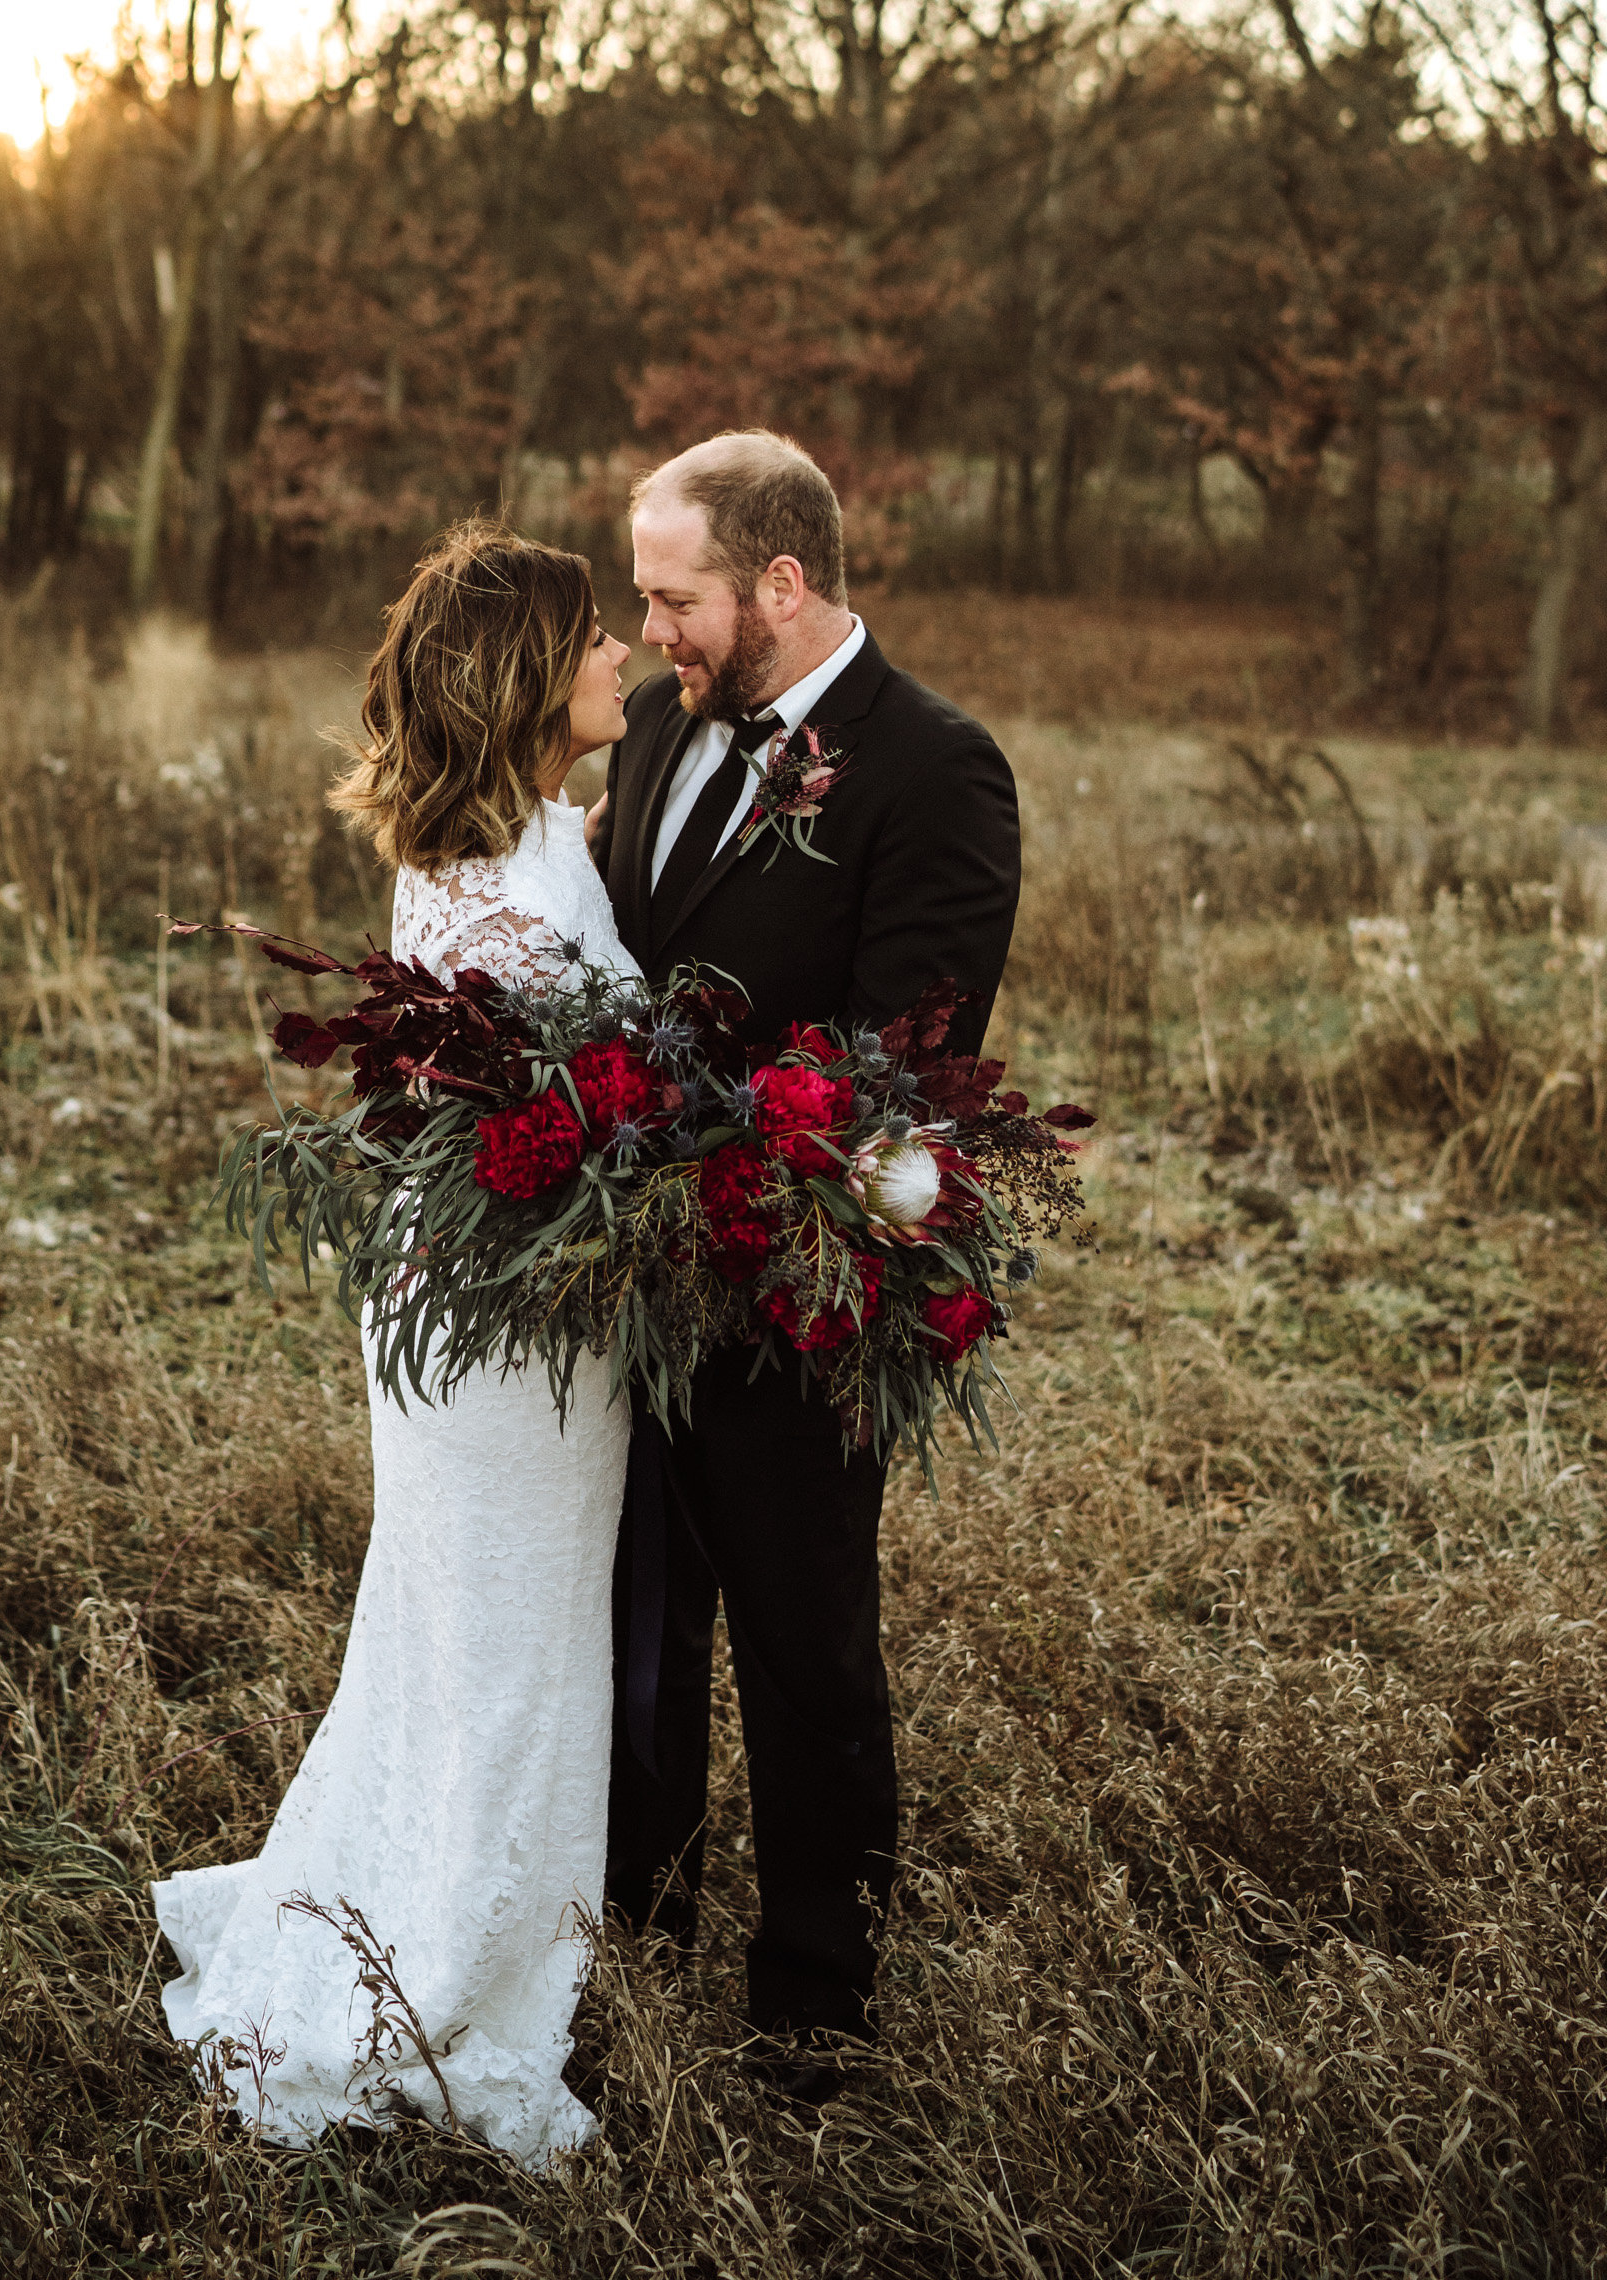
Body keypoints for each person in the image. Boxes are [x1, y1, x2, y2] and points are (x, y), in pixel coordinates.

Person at [152, 525, 639, 2171]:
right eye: (592, 639)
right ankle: (443, 1972)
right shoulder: (495, 888)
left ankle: (463, 1921)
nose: (622, 654)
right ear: (525, 676)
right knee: (495, 1643)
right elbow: (578, 1121)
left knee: (478, 1633)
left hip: (512, 1305)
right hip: (506, 1325)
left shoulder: (534, 836)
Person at [591, 430, 1020, 2098]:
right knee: (636, 1623)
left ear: (780, 583)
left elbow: (910, 1052)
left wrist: (725, 1184)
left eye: (672, 597)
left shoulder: (933, 766)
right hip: (620, 1282)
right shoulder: (647, 732)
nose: (646, 634)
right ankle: (636, 1931)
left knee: (802, 1637)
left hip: (794, 1284)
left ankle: (815, 2012)